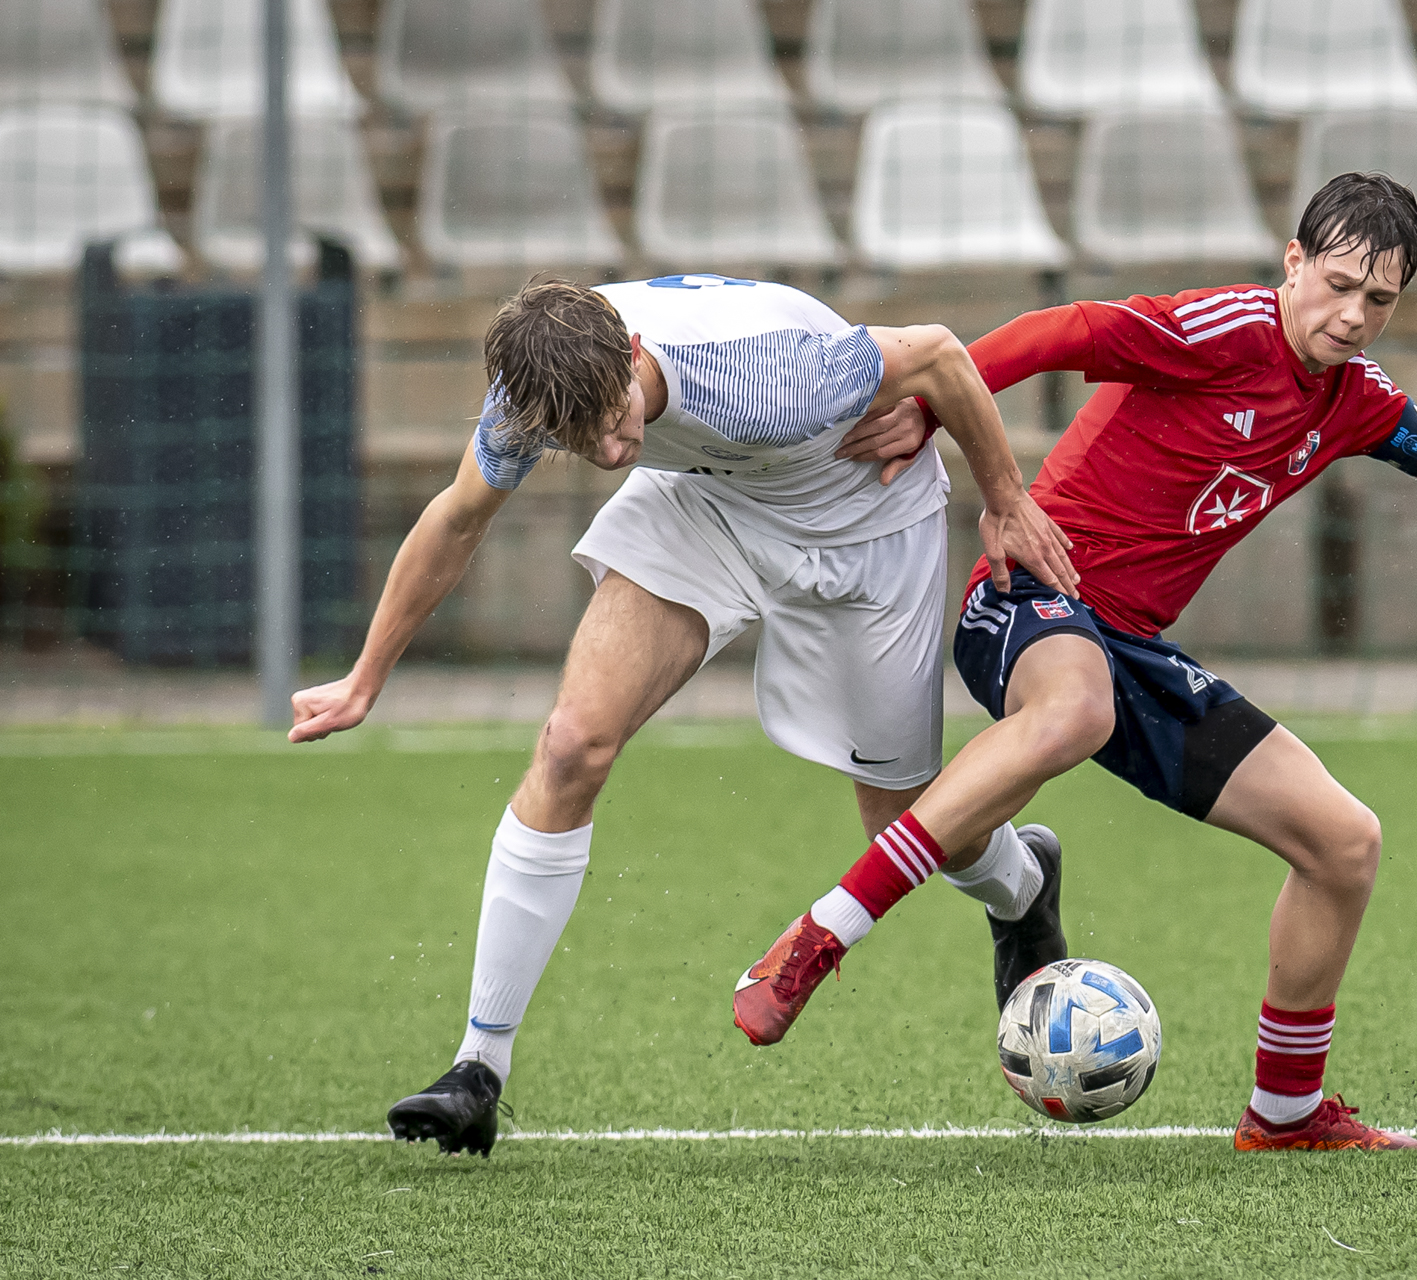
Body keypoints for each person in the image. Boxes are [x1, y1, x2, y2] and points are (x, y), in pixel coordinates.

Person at [732, 174, 1417, 1152]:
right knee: (1077, 710)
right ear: (1293, 263)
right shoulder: (1223, 331)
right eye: (1339, 285)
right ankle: (821, 935)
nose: (1354, 316)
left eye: (1380, 299)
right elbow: (1062, 329)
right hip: (1027, 597)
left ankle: (1286, 1113)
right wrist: (937, 405)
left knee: (1344, 843)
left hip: (1132, 649)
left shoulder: (1358, 400)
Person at [288, 273, 1076, 1156]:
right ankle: (478, 1067)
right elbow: (458, 517)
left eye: (614, 418)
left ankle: (1023, 884)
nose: (610, 451)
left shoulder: (766, 377)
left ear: (633, 352)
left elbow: (937, 352)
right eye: (579, 440)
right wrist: (365, 677)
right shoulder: (535, 393)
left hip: (863, 520)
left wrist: (1006, 499)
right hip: (708, 507)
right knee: (571, 747)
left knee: (902, 820)